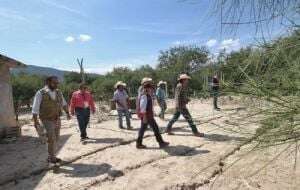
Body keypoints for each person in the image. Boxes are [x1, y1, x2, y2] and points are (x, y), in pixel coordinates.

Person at [32, 76, 71, 164]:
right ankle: (51, 158)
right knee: (51, 138)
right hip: (46, 119)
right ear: (48, 82)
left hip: (57, 119)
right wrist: (35, 122)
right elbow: (35, 109)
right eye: (54, 83)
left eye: (57, 83)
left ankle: (52, 155)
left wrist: (67, 113)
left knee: (56, 138)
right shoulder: (40, 93)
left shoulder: (58, 92)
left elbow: (64, 103)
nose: (57, 85)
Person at [136, 78, 169, 149]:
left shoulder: (146, 94)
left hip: (148, 115)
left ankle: (139, 143)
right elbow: (143, 107)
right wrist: (144, 117)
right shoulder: (144, 95)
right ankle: (161, 142)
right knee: (155, 128)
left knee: (144, 129)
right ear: (147, 88)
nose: (152, 89)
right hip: (147, 116)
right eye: (150, 87)